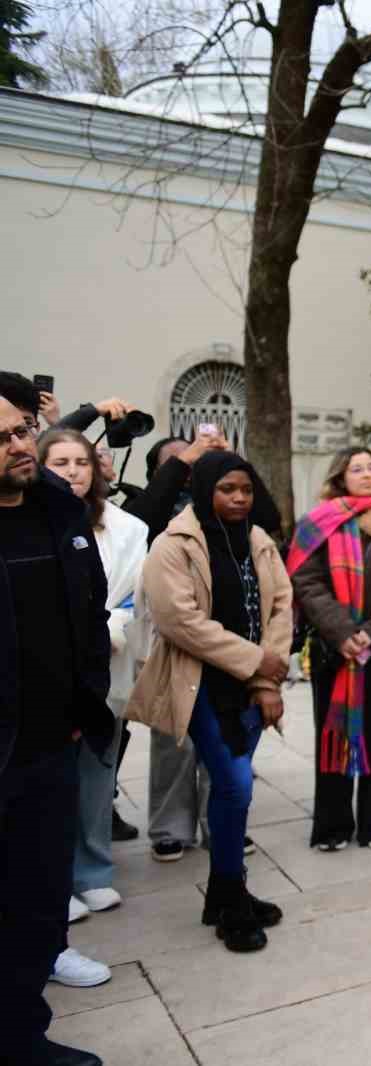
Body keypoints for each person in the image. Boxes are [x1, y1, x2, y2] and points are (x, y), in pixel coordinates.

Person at [126, 451, 292, 952]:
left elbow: (282, 606)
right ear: (204, 491)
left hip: (248, 683)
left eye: (245, 489)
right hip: (198, 684)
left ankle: (223, 892)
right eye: (227, 490)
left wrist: (266, 679)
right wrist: (256, 660)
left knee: (229, 788)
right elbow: (179, 622)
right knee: (235, 784)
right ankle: (231, 897)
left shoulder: (259, 540)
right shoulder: (172, 545)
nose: (239, 498)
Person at [0, 373, 114, 1066]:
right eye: (2, 439)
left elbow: (89, 609)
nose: (20, 445)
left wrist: (85, 701)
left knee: (41, 910)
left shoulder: (57, 509)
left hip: (53, 746)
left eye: (20, 430)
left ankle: (22, 1039)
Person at [37, 428, 146, 975]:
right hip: (48, 677)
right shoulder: (33, 522)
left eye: (82, 461)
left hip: (107, 663)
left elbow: (131, 595)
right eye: (60, 461)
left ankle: (94, 871)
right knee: (51, 788)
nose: (74, 471)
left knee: (99, 772)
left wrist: (108, 628)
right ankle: (56, 887)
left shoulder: (127, 527)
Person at [289, 447, 371, 851]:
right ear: (340, 477)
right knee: (335, 732)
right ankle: (333, 826)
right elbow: (306, 581)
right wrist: (343, 632)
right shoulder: (315, 524)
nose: (365, 474)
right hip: (334, 648)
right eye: (355, 469)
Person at [129, 429, 235, 863]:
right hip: (171, 636)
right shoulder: (146, 515)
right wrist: (182, 460)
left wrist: (227, 461)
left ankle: (221, 823)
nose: (191, 470)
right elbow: (145, 517)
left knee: (224, 736)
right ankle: (170, 827)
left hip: (224, 637)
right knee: (174, 736)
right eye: (178, 464)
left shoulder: (223, 507)